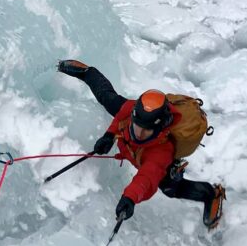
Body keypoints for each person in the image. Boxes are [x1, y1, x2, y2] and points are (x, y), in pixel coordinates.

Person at [57, 59, 225, 228]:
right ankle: (85, 70)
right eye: (137, 126)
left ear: (159, 128)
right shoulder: (133, 110)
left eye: (146, 131)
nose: (139, 133)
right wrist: (109, 135)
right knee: (108, 99)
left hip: (162, 165)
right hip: (136, 141)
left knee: (170, 188)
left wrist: (130, 198)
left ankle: (211, 194)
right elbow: (114, 103)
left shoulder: (161, 152)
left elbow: (146, 178)